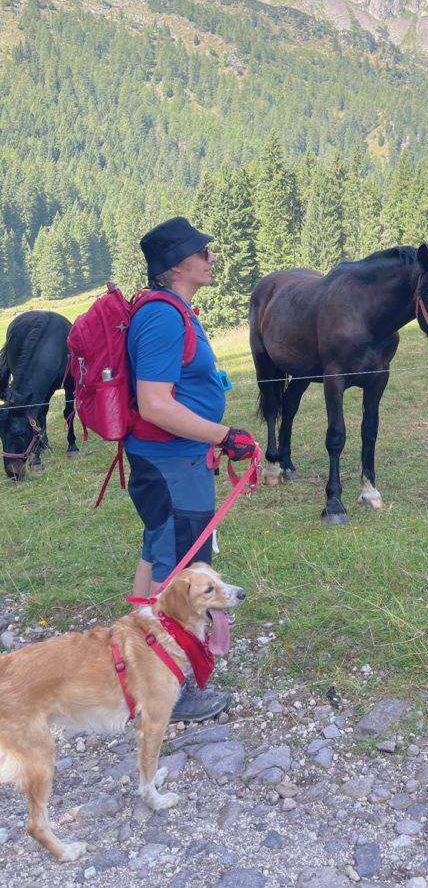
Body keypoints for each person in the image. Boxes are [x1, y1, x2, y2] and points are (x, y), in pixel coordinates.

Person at [126, 216, 256, 722]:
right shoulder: (161, 317)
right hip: (172, 461)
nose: (211, 258)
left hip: (174, 459)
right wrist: (226, 435)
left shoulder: (175, 310)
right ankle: (171, 689)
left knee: (161, 554)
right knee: (179, 573)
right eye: (203, 251)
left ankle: (140, 665)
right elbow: (154, 403)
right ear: (177, 264)